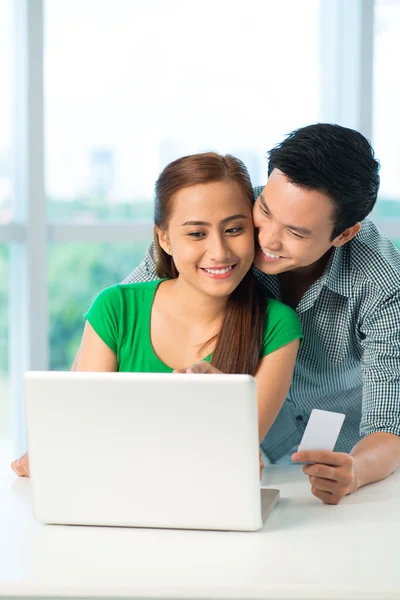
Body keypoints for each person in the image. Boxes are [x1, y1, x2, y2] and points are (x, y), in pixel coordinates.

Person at [77, 122, 400, 504]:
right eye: (263, 210)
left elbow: (389, 426)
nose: (264, 239)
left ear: (343, 234)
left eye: (295, 233)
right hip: (230, 464)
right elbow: (133, 311)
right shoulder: (226, 216)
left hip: (341, 459)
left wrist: (356, 470)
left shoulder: (382, 283)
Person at [12, 153, 302, 480]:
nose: (220, 251)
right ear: (164, 238)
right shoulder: (115, 308)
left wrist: (222, 402)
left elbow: (236, 450)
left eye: (234, 229)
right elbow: (83, 432)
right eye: (196, 234)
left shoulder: (278, 326)